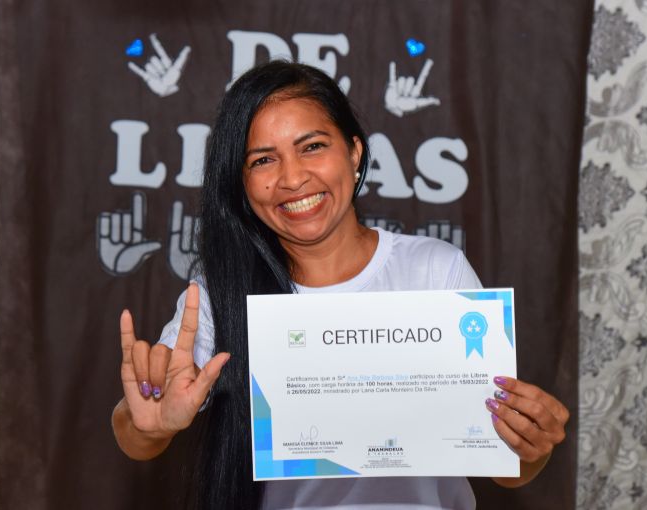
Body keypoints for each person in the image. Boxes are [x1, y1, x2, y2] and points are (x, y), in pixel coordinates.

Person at [112, 61, 569, 510]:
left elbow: (507, 465)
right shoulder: (220, 291)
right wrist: (148, 425)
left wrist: (532, 443)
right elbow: (139, 431)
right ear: (242, 183)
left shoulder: (435, 270)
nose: (292, 178)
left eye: (311, 146)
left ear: (353, 153)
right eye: (264, 160)